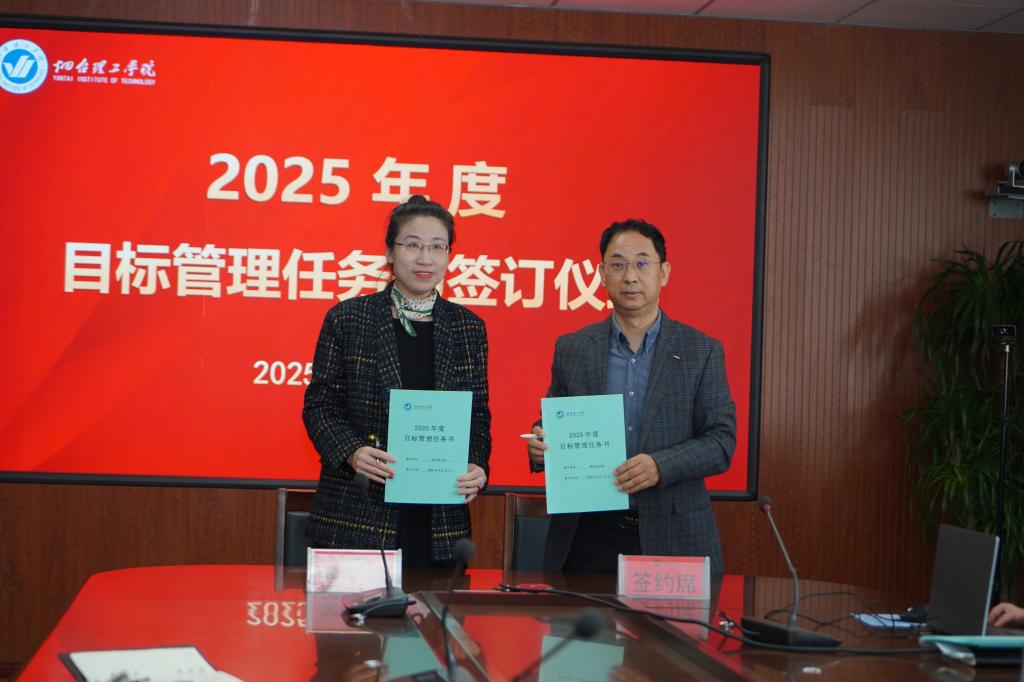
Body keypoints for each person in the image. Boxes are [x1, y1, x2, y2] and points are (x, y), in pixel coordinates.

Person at [526, 219, 736, 573]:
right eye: (618, 264)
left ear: (663, 273)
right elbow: (556, 420)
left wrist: (660, 466)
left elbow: (721, 441)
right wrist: (541, 443)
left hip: (674, 531)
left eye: (642, 263)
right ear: (601, 274)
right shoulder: (573, 349)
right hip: (589, 533)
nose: (630, 276)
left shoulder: (701, 351)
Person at [302, 195, 490, 568]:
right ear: (390, 252)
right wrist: (352, 452)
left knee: (436, 607)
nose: (425, 258)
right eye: (413, 245)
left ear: (448, 256)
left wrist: (477, 465)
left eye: (437, 247)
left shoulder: (468, 328)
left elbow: (477, 415)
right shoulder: (348, 319)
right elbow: (320, 406)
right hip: (359, 511)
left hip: (439, 517)